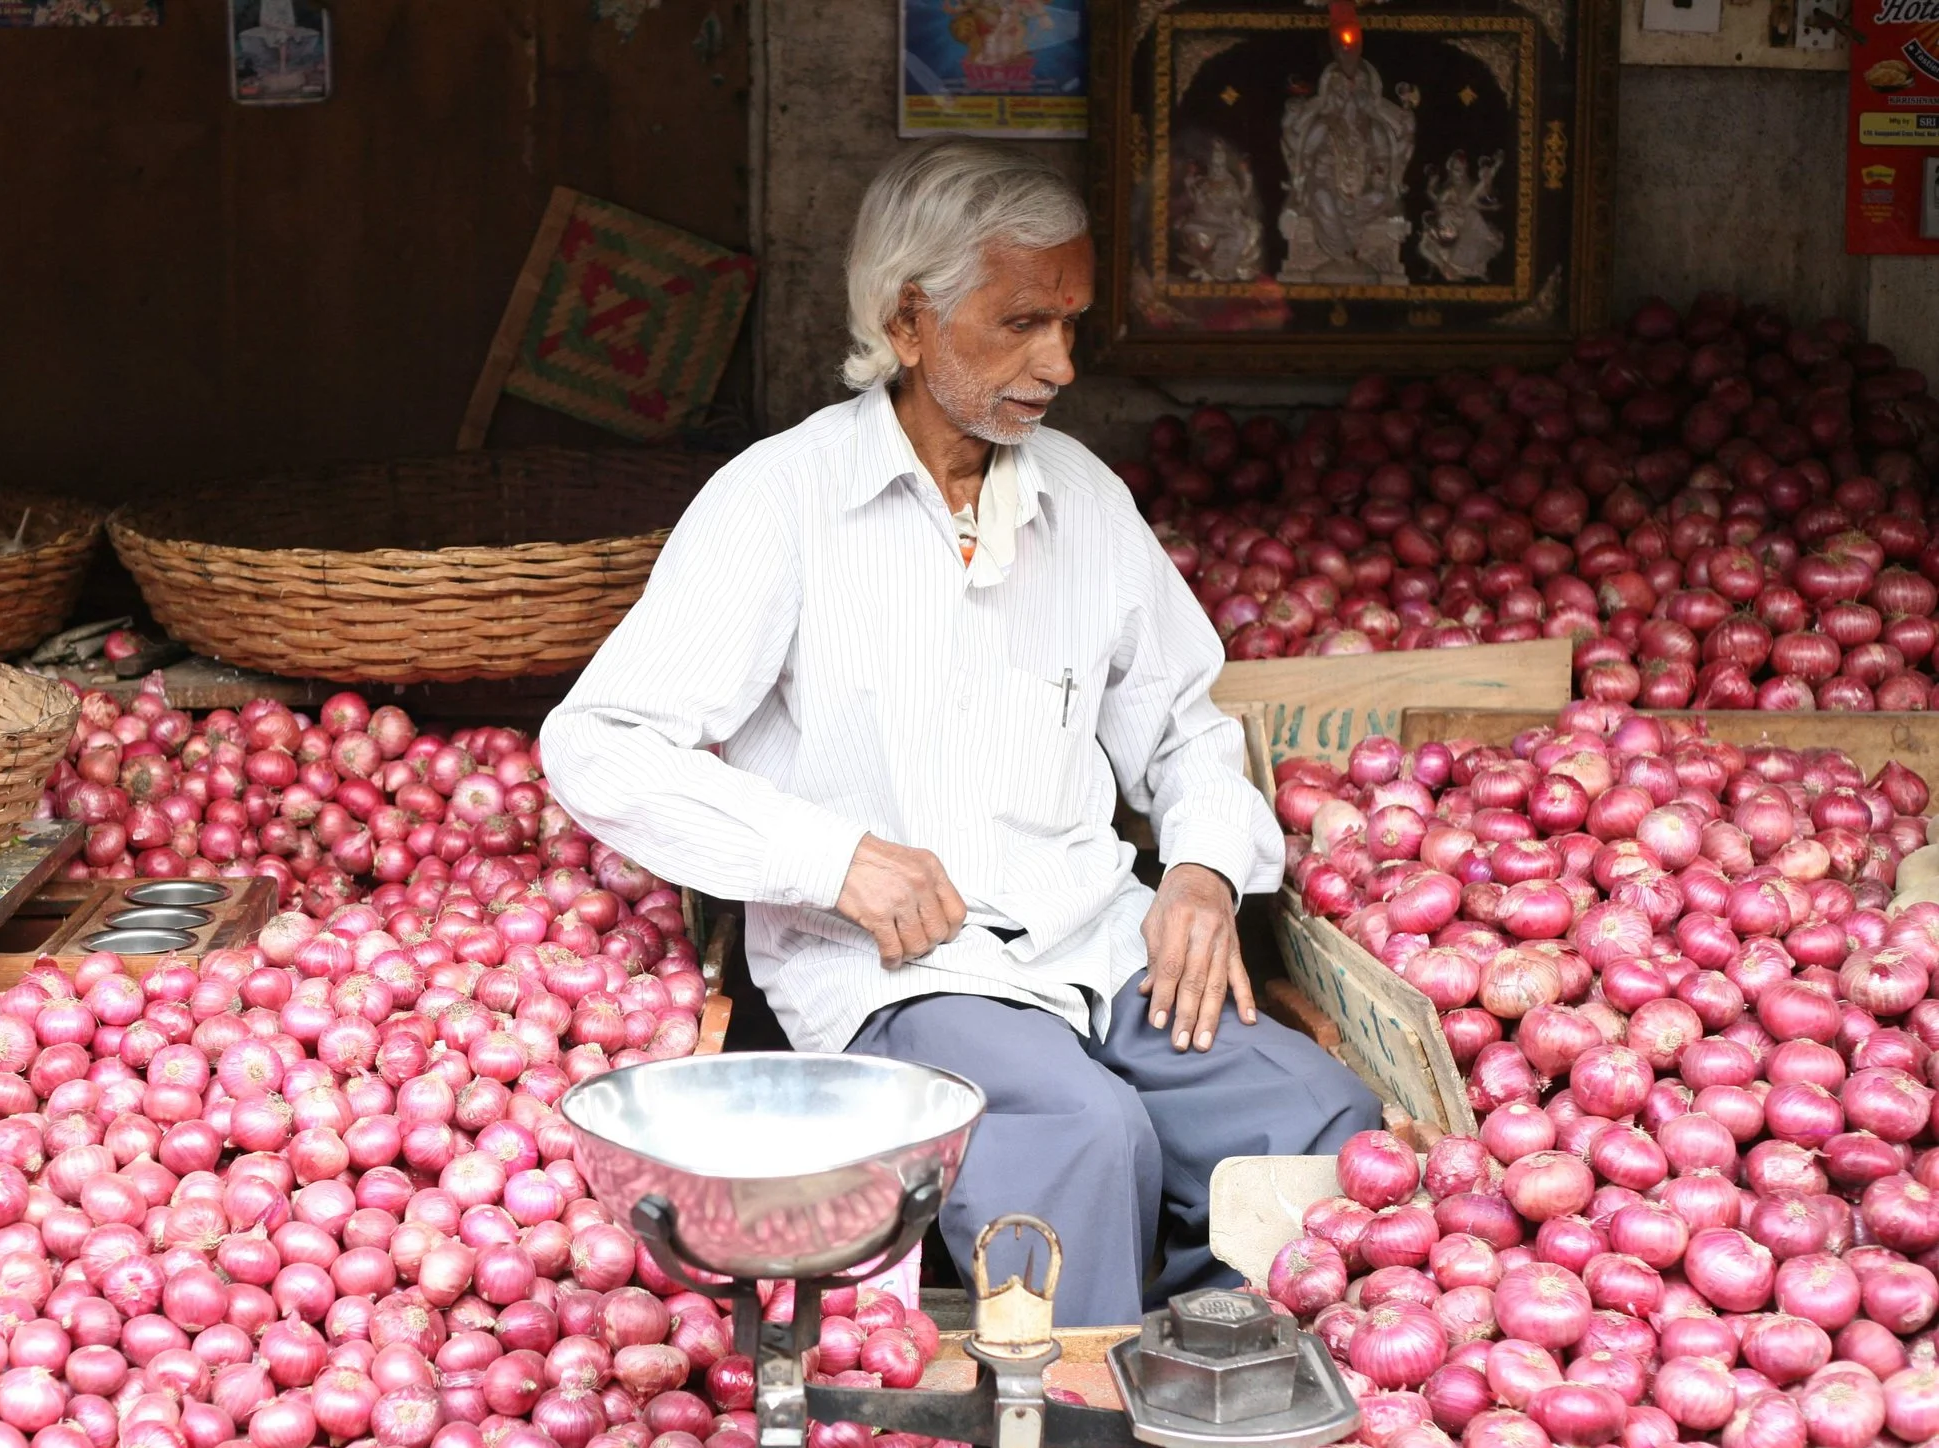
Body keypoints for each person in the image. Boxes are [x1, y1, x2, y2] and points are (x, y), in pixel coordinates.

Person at [538, 142, 1381, 1325]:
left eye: (1072, 323)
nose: (1060, 363)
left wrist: (1197, 870)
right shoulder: (780, 501)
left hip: (1097, 941)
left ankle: (1189, 1374)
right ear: (908, 319)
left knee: (1320, 1120)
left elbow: (1186, 724)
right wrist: (831, 858)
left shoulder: (1081, 495)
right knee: (1084, 1138)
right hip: (912, 969)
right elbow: (602, 742)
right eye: (1022, 322)